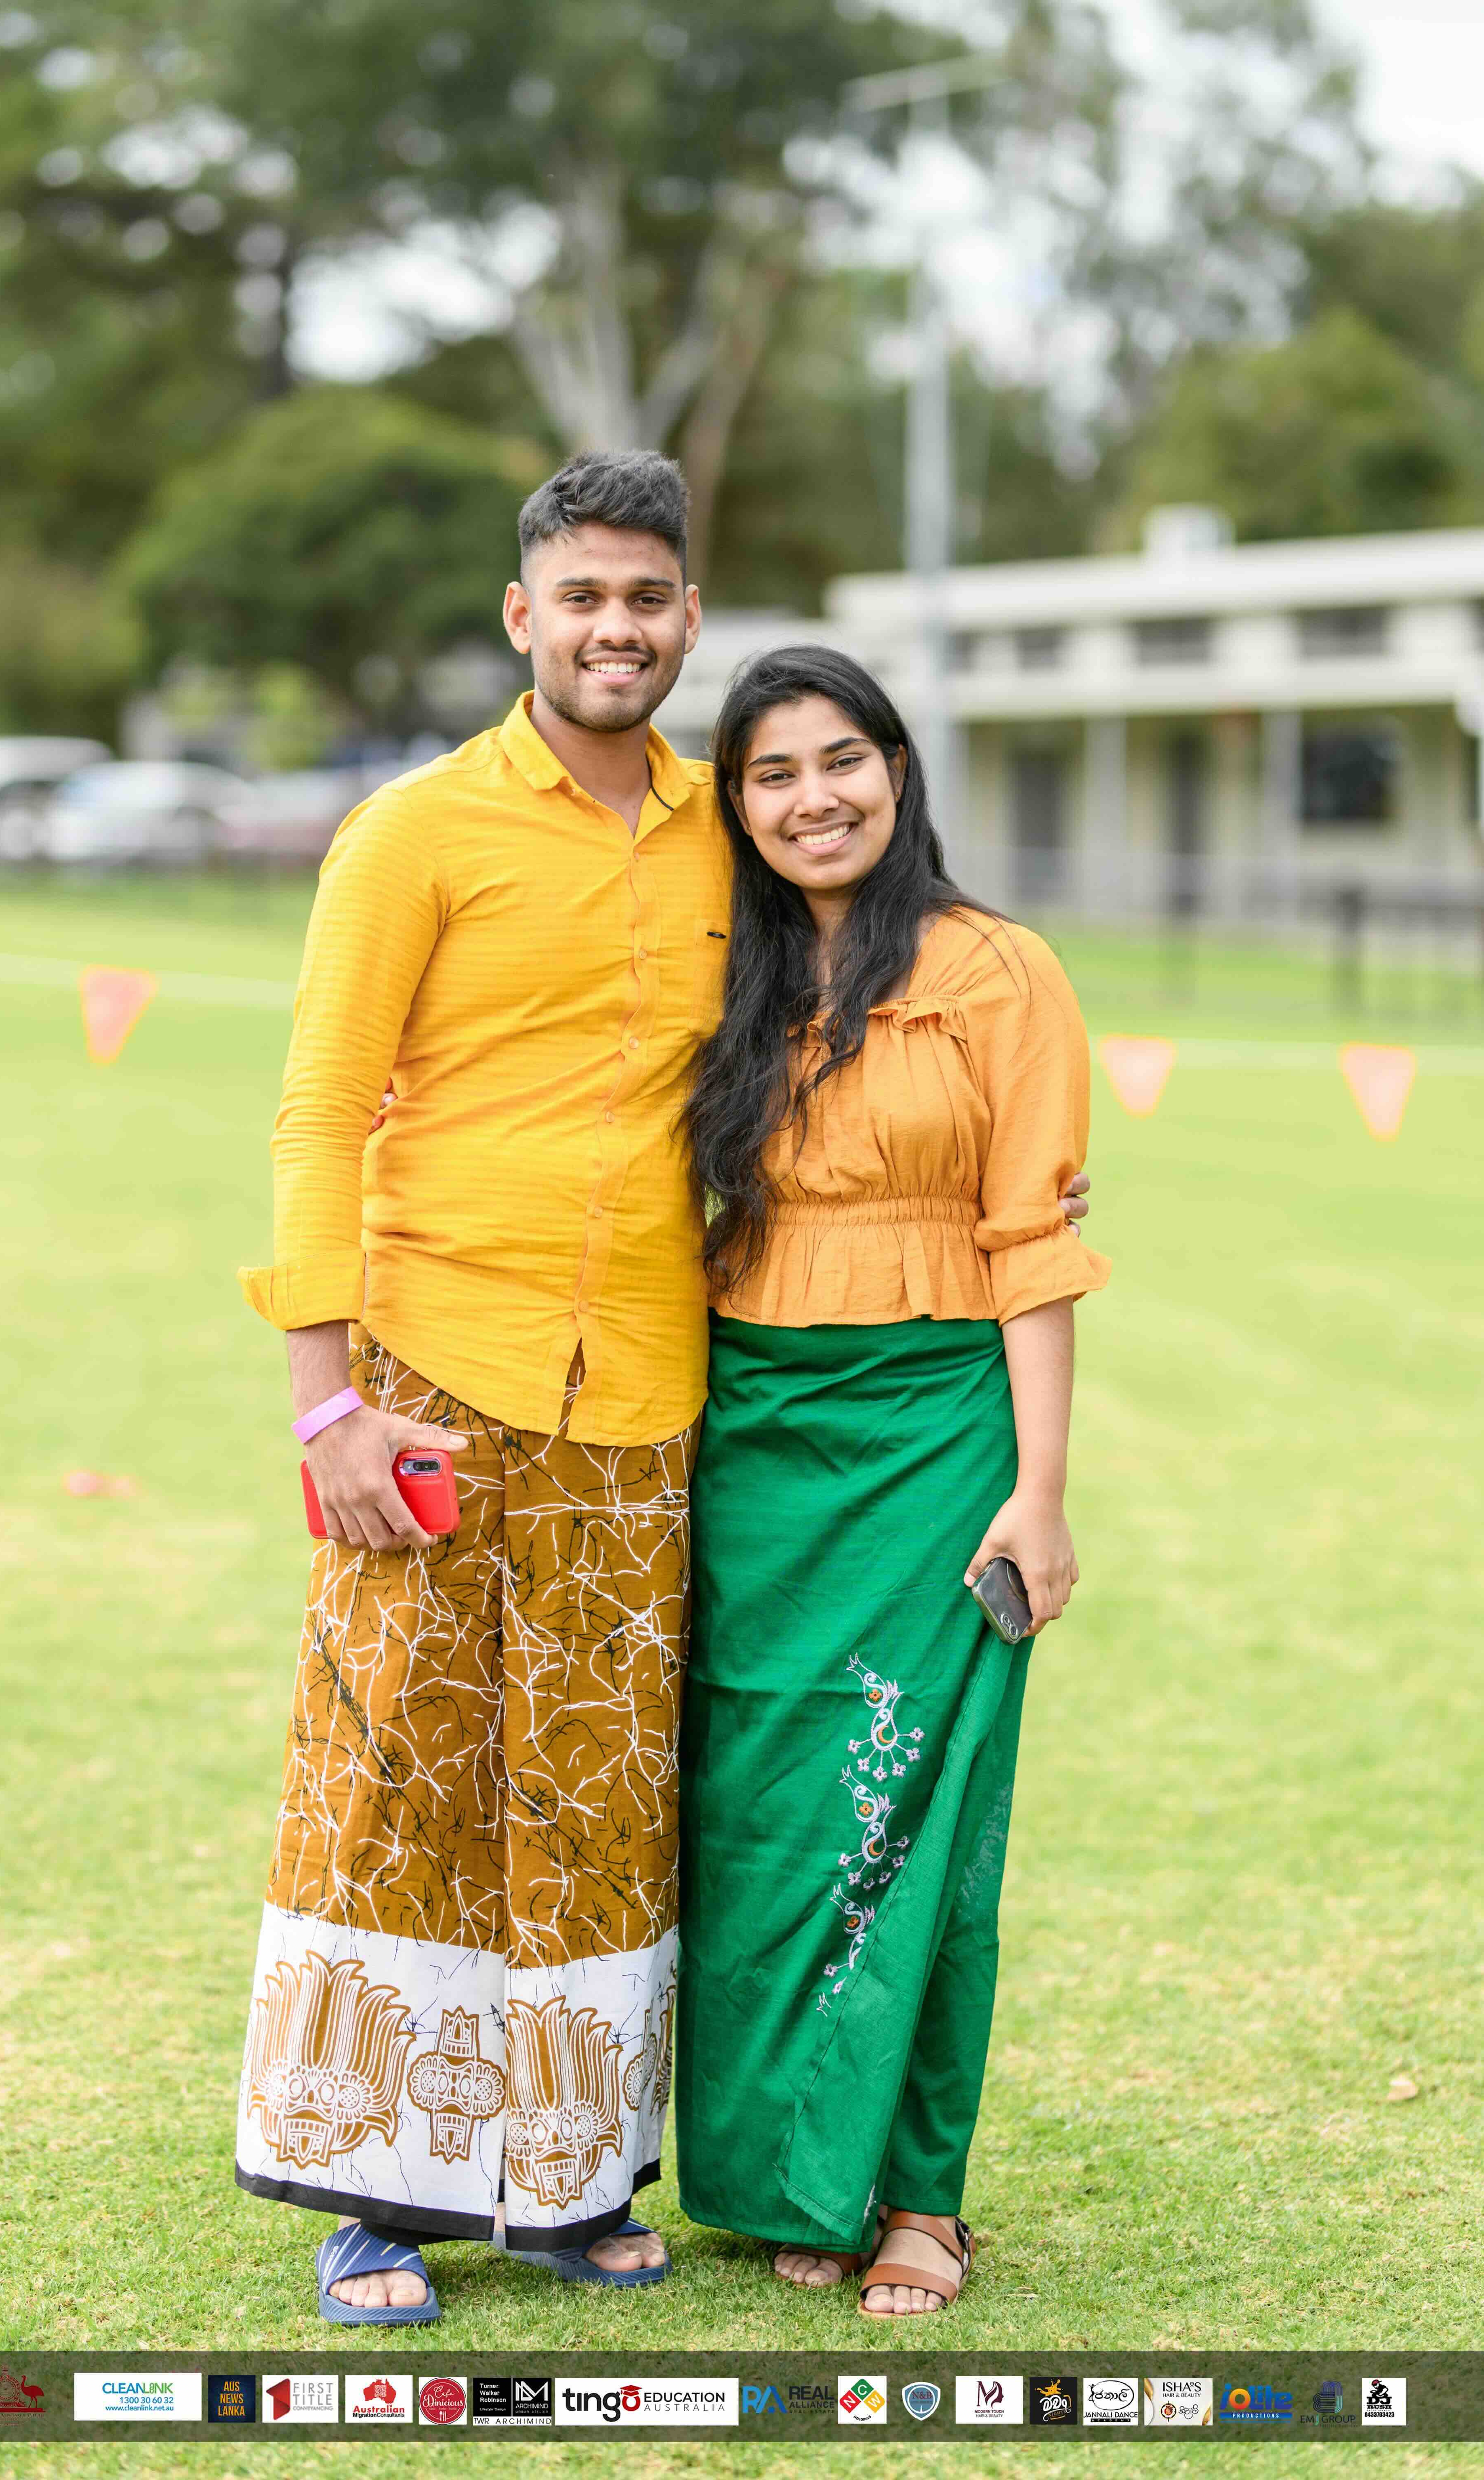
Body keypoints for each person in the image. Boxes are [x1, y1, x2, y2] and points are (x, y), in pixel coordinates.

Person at [234, 451, 1090, 2326]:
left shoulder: (730, 832)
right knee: (400, 1772)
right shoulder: (413, 833)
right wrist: (325, 1404)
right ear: (523, 616)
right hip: (429, 1370)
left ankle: (569, 2181)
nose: (615, 629)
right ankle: (376, 2194)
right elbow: (314, 1114)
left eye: (648, 599)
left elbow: (868, 1019)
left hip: (651, 1391)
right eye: (581, 598)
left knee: (607, 1795)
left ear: (685, 621)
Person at [674, 646, 1110, 2317]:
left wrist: (1041, 1491)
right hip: (753, 1439)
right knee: (768, 1818)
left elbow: (1036, 1245)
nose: (812, 799)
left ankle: (917, 2199)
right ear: (738, 808)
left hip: (940, 1433)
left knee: (917, 1809)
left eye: (840, 760)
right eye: (771, 775)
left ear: (900, 768)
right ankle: (803, 2171)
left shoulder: (1000, 974)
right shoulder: (722, 977)